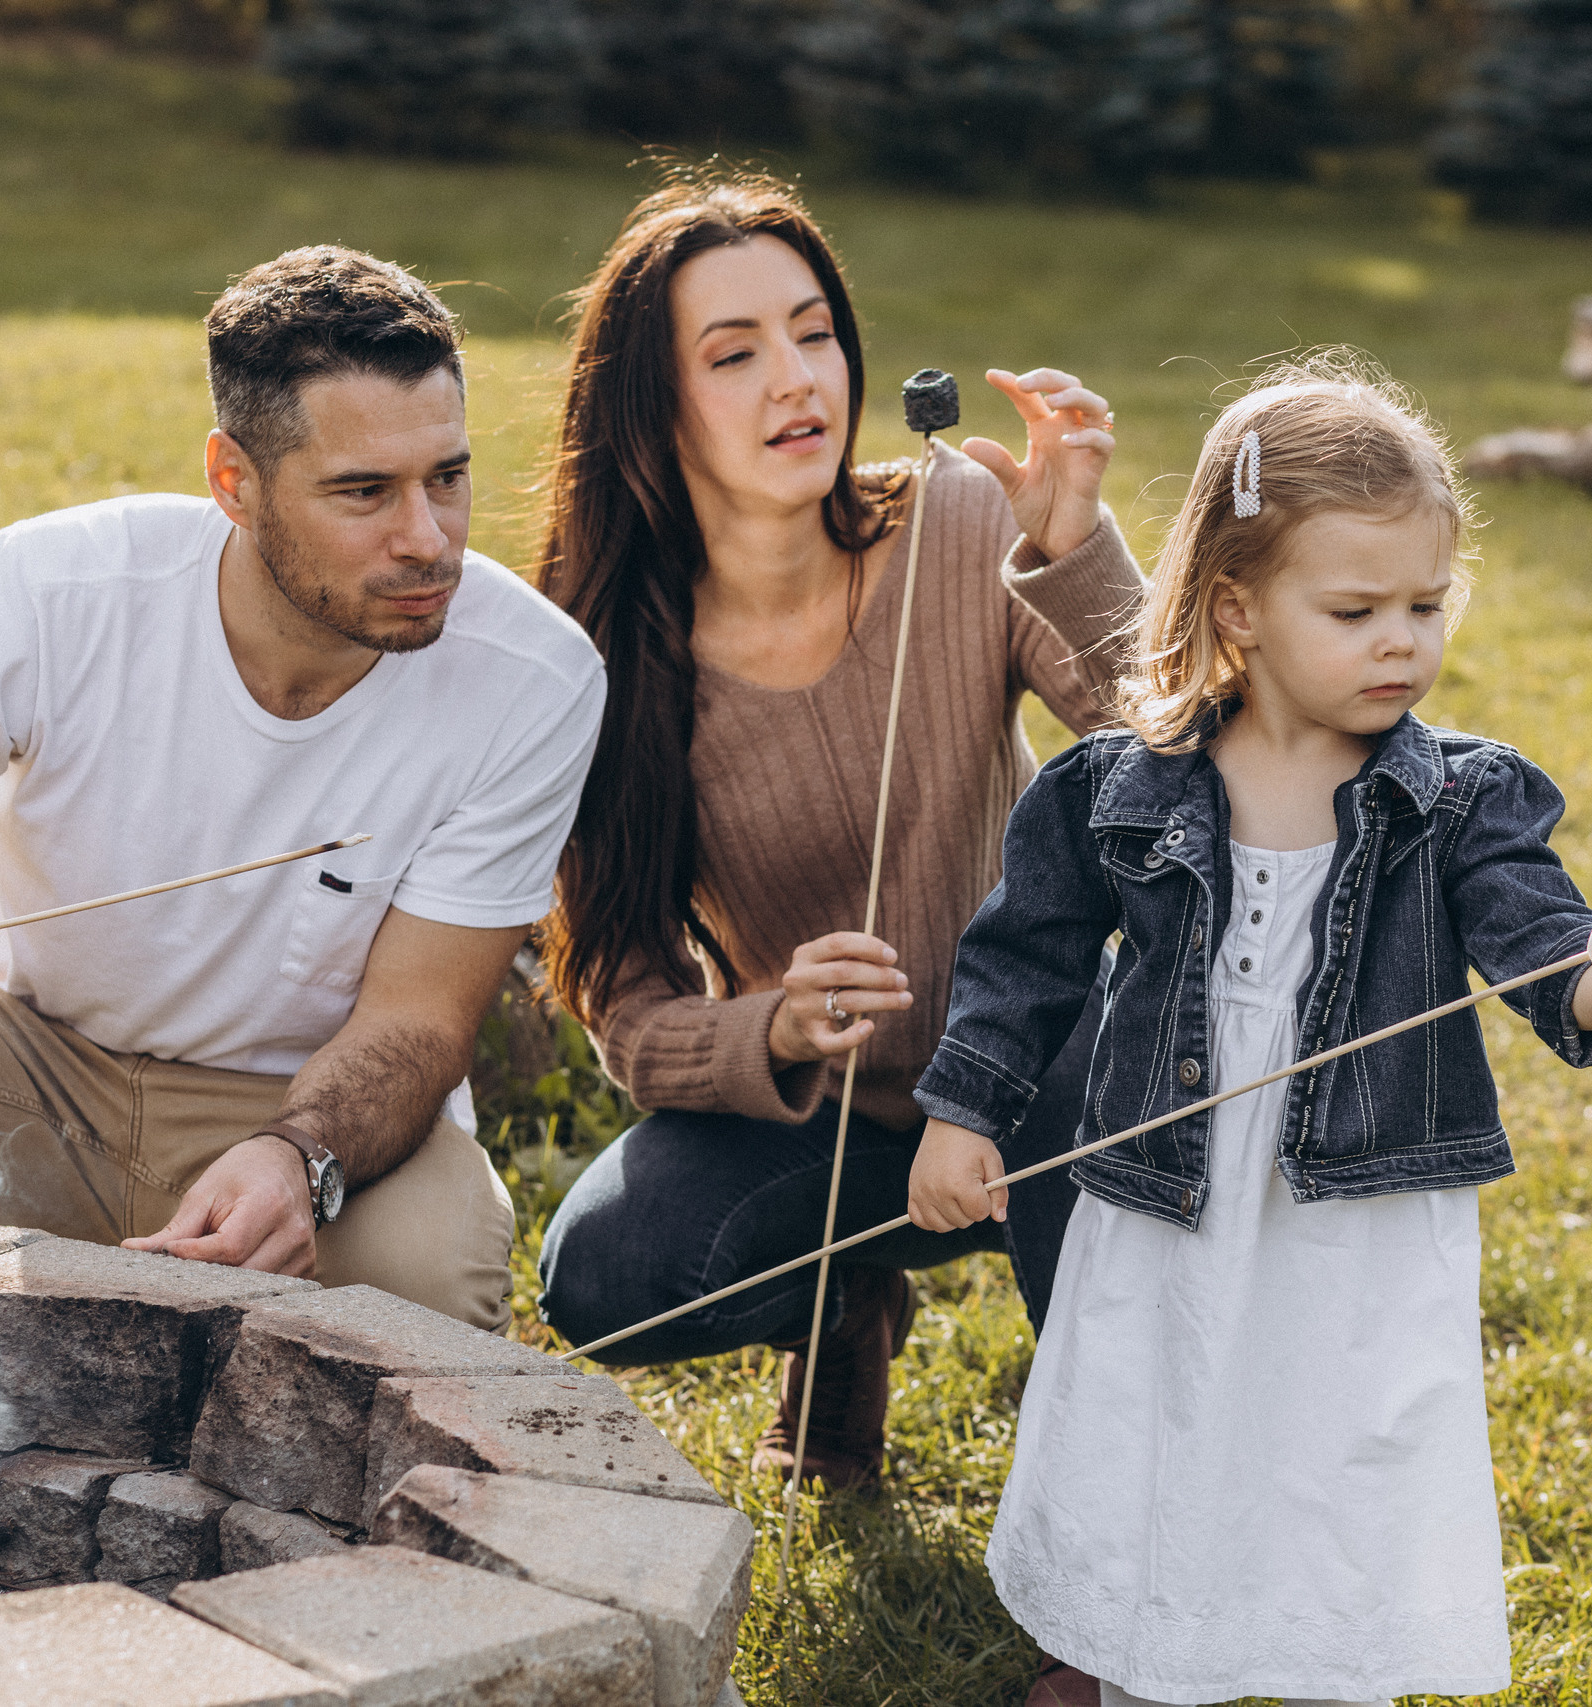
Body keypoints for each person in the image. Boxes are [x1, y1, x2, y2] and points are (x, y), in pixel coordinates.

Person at [906, 353, 1592, 1707]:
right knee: (1156, 1416)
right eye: (1355, 609)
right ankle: (1141, 1665)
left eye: (1424, 605)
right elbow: (1022, 959)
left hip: (1356, 1218)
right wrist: (963, 1111)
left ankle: (1335, 1667)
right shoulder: (1121, 785)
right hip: (1163, 1199)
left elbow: (1537, 942)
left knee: (1341, 1443)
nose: (1403, 641)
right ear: (1239, 606)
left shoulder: (1460, 798)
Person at [0, 246, 605, 1331]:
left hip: (299, 1118)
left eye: (448, 477)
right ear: (234, 482)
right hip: (20, 1086)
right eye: (363, 492)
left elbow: (420, 1021)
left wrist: (298, 1156)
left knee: (432, 1273)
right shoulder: (55, 591)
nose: (427, 539)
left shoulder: (536, 680)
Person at [529, 170, 1144, 1490]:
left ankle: (1111, 1505)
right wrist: (773, 1029)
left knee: (1123, 1221)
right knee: (608, 1276)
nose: (797, 377)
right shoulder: (606, 663)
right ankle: (846, 1303)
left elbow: (1178, 751)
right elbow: (626, 1007)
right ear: (649, 406)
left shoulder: (959, 520)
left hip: (1043, 1059)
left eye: (814, 333)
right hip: (831, 1109)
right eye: (734, 353)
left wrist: (1076, 551)